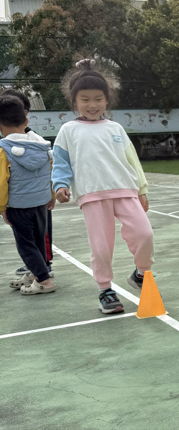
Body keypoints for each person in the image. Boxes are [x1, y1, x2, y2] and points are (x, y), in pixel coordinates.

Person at [51, 61, 155, 315]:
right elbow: (61, 162)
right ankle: (105, 289)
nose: (92, 105)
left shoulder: (115, 128)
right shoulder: (68, 130)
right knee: (101, 247)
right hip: (92, 195)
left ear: (107, 100)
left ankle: (141, 274)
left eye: (98, 99)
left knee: (144, 234)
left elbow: (132, 161)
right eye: (85, 99)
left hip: (125, 190)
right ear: (74, 101)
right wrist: (60, 185)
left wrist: (141, 189)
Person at [0, 95, 57, 295]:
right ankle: (36, 273)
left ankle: (45, 281)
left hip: (18, 206)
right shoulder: (41, 145)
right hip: (41, 203)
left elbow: (2, 182)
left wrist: (2, 207)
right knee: (39, 241)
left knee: (26, 245)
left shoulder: (3, 150)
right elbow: (50, 172)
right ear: (26, 120)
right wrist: (51, 195)